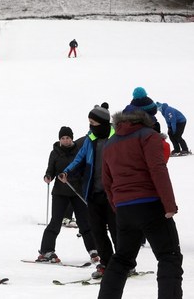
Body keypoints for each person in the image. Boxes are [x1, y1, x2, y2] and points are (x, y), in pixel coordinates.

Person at [98, 105, 183, 299]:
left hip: (124, 209)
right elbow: (158, 169)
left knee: (121, 259)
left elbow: (107, 181)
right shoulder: (148, 136)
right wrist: (169, 205)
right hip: (150, 205)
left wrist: (117, 207)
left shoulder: (110, 143)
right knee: (168, 256)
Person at [58, 103, 117, 279]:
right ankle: (106, 263)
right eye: (89, 122)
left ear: (102, 122)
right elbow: (80, 157)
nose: (90, 125)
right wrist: (67, 171)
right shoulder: (90, 138)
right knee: (97, 231)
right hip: (93, 192)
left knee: (116, 230)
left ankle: (125, 264)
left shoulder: (116, 138)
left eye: (93, 122)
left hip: (112, 193)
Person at [38, 127, 98, 263]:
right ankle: (46, 250)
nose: (65, 141)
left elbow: (84, 169)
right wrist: (48, 176)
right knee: (56, 222)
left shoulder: (79, 151)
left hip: (77, 191)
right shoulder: (55, 153)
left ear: (72, 138)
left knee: (84, 222)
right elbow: (51, 170)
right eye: (63, 138)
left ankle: (93, 249)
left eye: (68, 138)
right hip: (60, 193)